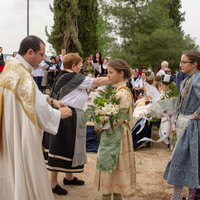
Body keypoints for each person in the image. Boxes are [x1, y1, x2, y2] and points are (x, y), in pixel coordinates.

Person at [0, 35, 72, 200]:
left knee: (12, 168)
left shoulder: (12, 68)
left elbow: (31, 95)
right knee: (26, 167)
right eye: (42, 54)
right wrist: (58, 114)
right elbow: (36, 106)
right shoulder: (22, 75)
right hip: (21, 131)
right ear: (30, 52)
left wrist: (51, 101)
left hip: (10, 129)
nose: (43, 58)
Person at [43, 53, 110, 195]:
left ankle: (69, 176)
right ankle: (52, 183)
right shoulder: (74, 77)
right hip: (66, 114)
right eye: (79, 65)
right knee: (59, 147)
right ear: (73, 66)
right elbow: (97, 82)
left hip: (64, 112)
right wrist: (113, 77)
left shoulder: (63, 75)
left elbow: (76, 91)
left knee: (69, 147)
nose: (81, 68)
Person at [94, 59, 136, 200]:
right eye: (108, 72)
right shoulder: (115, 90)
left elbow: (116, 119)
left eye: (111, 72)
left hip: (117, 135)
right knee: (111, 169)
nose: (108, 75)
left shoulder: (122, 94)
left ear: (121, 73)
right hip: (112, 133)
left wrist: (100, 122)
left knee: (113, 169)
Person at [163, 50, 200, 200]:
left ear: (195, 64)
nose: (181, 65)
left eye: (184, 62)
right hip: (184, 125)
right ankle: (178, 196)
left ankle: (187, 196)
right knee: (183, 162)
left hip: (192, 128)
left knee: (188, 162)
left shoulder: (197, 79)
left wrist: (197, 113)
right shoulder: (186, 80)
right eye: (181, 62)